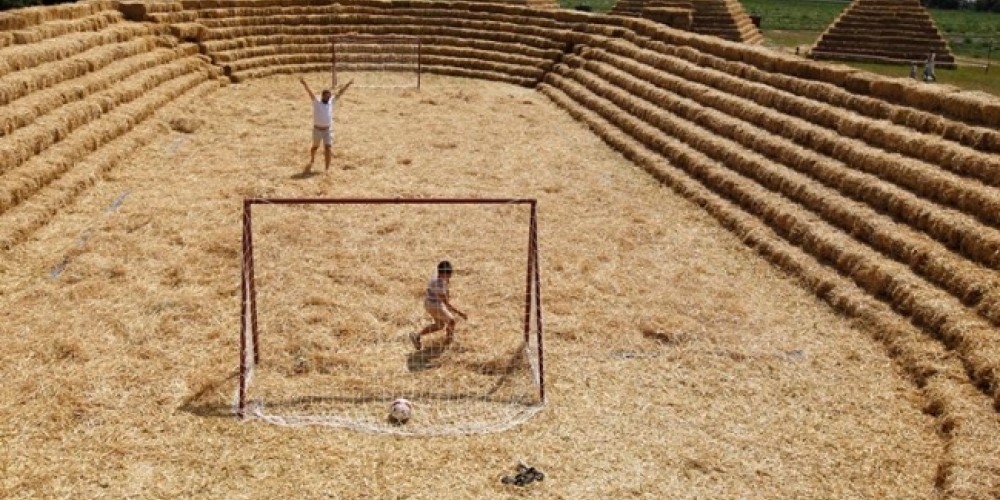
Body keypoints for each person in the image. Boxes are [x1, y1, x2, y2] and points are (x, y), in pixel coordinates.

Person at [299, 76, 353, 173]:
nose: (328, 97)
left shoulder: (331, 101)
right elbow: (309, 91)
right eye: (327, 96)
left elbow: (340, 93)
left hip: (327, 130)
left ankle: (327, 169)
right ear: (322, 96)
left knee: (328, 148)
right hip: (317, 130)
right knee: (315, 147)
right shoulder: (316, 101)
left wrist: (348, 84)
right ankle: (312, 158)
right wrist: (304, 83)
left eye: (329, 96)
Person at [410, 260, 467, 351]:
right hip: (434, 305)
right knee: (451, 321)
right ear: (443, 274)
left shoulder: (438, 275)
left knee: (439, 325)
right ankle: (448, 343)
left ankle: (417, 336)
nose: (450, 276)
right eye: (448, 274)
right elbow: (446, 304)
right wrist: (461, 313)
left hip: (429, 303)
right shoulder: (438, 285)